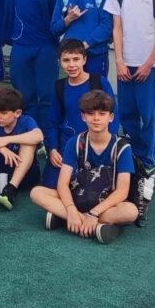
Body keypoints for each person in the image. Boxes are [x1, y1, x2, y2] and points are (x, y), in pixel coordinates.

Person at [103, 0, 155, 197]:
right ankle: (130, 162)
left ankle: (147, 165)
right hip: (125, 63)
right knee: (127, 113)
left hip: (150, 65)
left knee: (148, 116)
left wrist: (149, 62)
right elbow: (116, 28)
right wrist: (119, 60)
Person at [29, 90, 138, 244]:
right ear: (83, 117)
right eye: (91, 113)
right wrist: (72, 209)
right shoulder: (75, 142)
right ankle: (95, 225)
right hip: (79, 196)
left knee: (131, 211)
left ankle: (64, 219)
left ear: (111, 117)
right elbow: (62, 183)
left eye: (102, 113)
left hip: (106, 204)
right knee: (36, 192)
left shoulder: (122, 147)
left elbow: (122, 191)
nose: (96, 118)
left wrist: (94, 213)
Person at [2, 0, 61, 161]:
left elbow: (64, 9)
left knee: (46, 96)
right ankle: (29, 139)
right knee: (24, 96)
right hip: (20, 47)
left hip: (45, 46)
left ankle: (48, 141)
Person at [42, 39, 118, 188]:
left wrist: (105, 148)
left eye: (76, 59)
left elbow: (112, 119)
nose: (71, 65)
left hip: (95, 147)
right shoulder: (60, 86)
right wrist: (52, 149)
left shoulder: (99, 82)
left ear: (84, 59)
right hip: (67, 147)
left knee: (94, 186)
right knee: (49, 186)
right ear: (59, 62)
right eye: (66, 60)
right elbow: (52, 121)